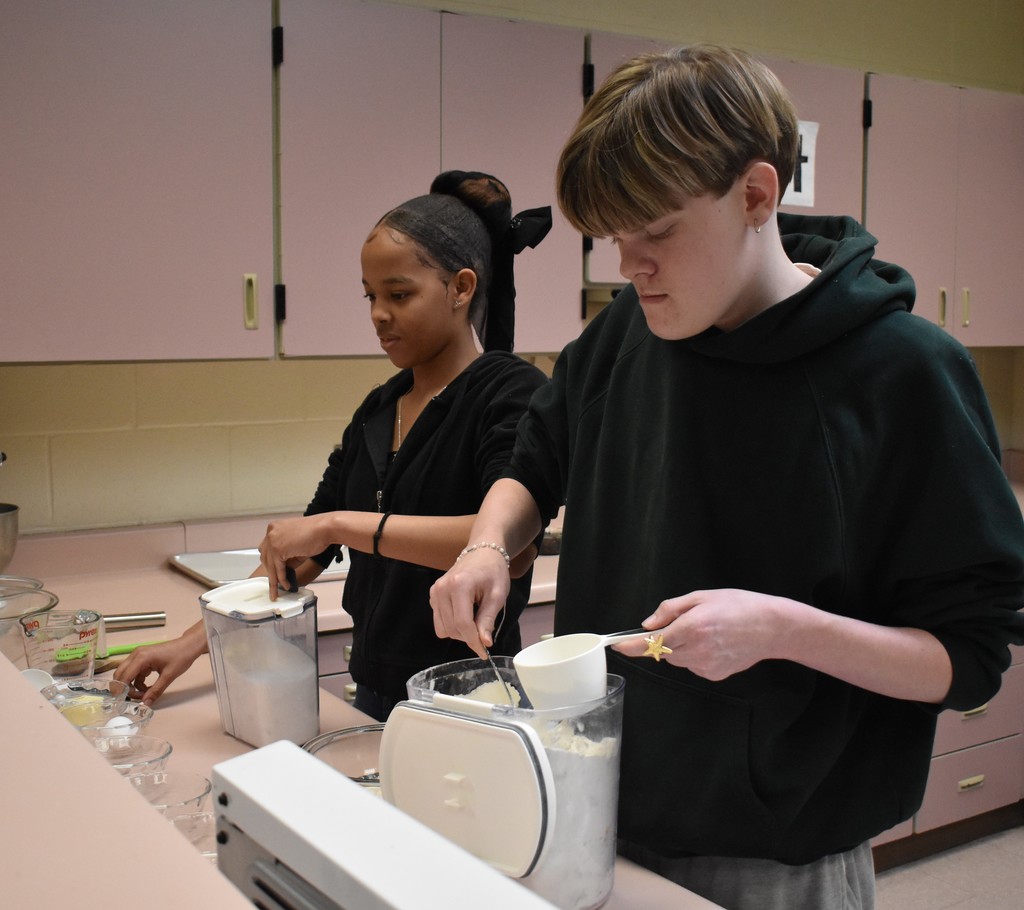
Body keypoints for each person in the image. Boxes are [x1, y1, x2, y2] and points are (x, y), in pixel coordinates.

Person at [428, 46, 1024, 910]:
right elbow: (536, 463)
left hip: (776, 861)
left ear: (756, 194)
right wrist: (489, 544)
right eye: (614, 238)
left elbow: (967, 658)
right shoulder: (627, 330)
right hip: (595, 803)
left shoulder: (905, 374)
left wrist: (782, 629)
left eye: (657, 232)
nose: (628, 267)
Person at [115, 171, 551, 720]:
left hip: (470, 699)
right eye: (370, 296)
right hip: (376, 690)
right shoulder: (378, 409)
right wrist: (192, 641)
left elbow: (507, 547)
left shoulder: (511, 393)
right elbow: (300, 555)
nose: (378, 314)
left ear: (461, 288)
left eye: (399, 294)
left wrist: (339, 525)